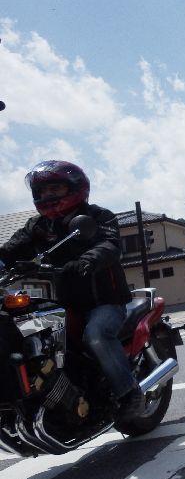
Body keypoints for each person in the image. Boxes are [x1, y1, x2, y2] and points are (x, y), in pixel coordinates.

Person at [0, 160, 142, 420]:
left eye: (54, 189)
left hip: (104, 302)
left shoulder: (98, 217)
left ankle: (129, 393)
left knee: (96, 335)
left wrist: (88, 260)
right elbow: (9, 251)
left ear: (76, 188)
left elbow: (109, 245)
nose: (47, 196)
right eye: (42, 191)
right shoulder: (38, 226)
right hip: (65, 303)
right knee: (27, 334)